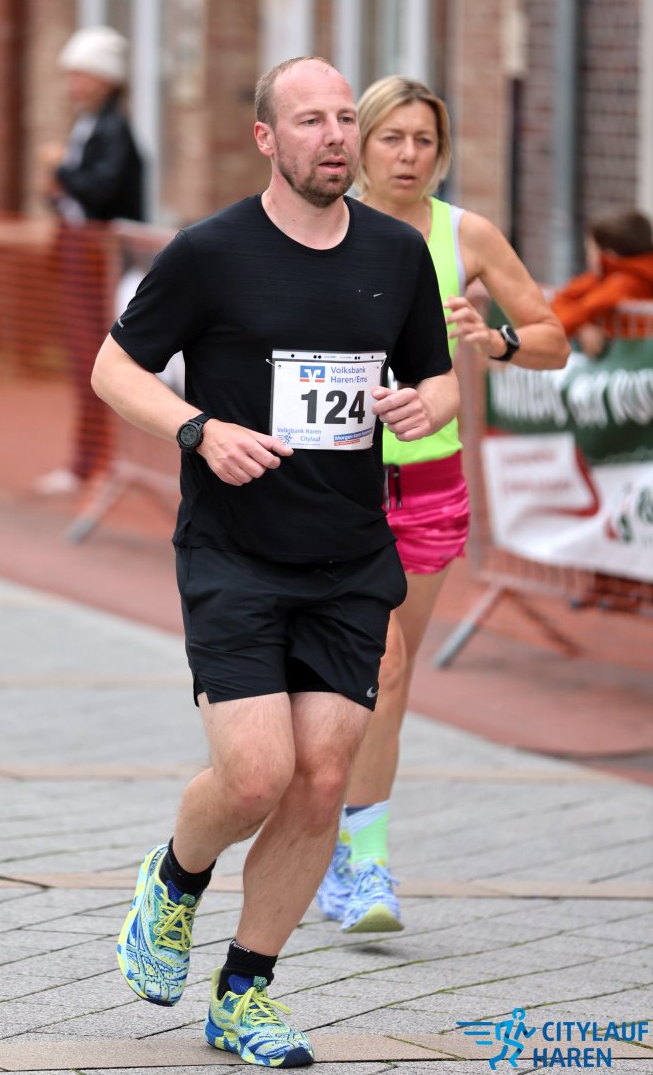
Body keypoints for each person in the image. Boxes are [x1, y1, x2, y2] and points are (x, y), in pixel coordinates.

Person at [91, 56, 459, 1069]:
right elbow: (113, 368)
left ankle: (244, 994)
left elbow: (439, 379)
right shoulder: (210, 252)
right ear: (266, 138)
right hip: (235, 553)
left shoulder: (396, 252)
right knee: (256, 776)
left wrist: (424, 404)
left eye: (344, 118)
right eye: (310, 121)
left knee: (322, 779)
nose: (335, 136)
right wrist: (198, 429)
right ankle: (174, 879)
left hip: (350, 557)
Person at [315, 76, 568, 936]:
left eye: (424, 140)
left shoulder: (467, 235)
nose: (409, 155)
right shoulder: (324, 225)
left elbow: (553, 339)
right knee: (374, 673)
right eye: (392, 138)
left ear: (442, 151)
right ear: (361, 146)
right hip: (336, 485)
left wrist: (492, 339)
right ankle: (361, 860)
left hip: (428, 486)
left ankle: (345, 849)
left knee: (388, 680)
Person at [36, 25, 144, 496]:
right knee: (85, 357)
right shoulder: (90, 125)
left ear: (103, 79)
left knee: (97, 359)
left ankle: (99, 459)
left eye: (79, 75)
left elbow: (99, 191)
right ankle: (90, 458)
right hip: (81, 251)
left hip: (101, 259)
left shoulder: (114, 130)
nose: (72, 85)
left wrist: (59, 169)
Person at [550, 209, 653, 358]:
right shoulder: (600, 279)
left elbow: (581, 311)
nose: (588, 257)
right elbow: (563, 300)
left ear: (609, 255)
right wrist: (582, 326)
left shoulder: (623, 283)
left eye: (591, 250)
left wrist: (578, 324)